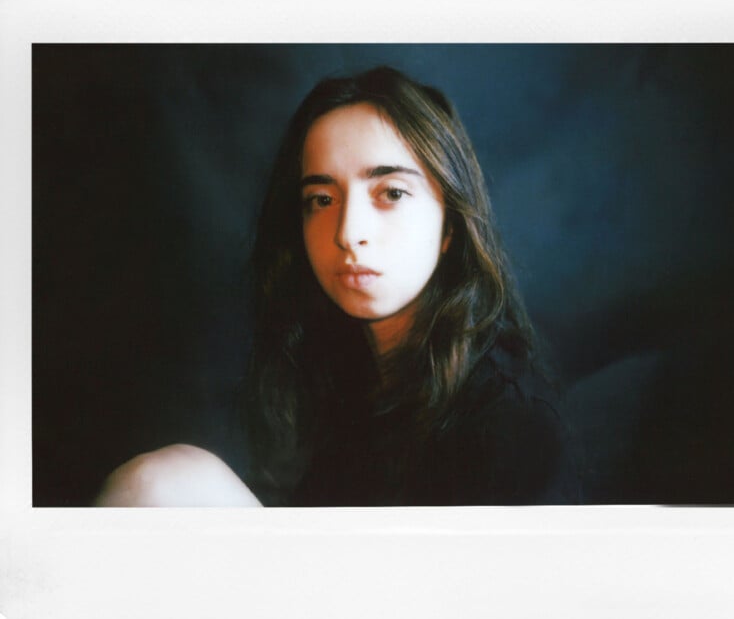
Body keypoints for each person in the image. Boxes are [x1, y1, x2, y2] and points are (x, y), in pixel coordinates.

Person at [95, 66, 581, 507]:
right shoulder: (342, 363)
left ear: (450, 226)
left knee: (162, 483)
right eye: (322, 199)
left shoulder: (513, 424)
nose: (348, 233)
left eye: (390, 193)